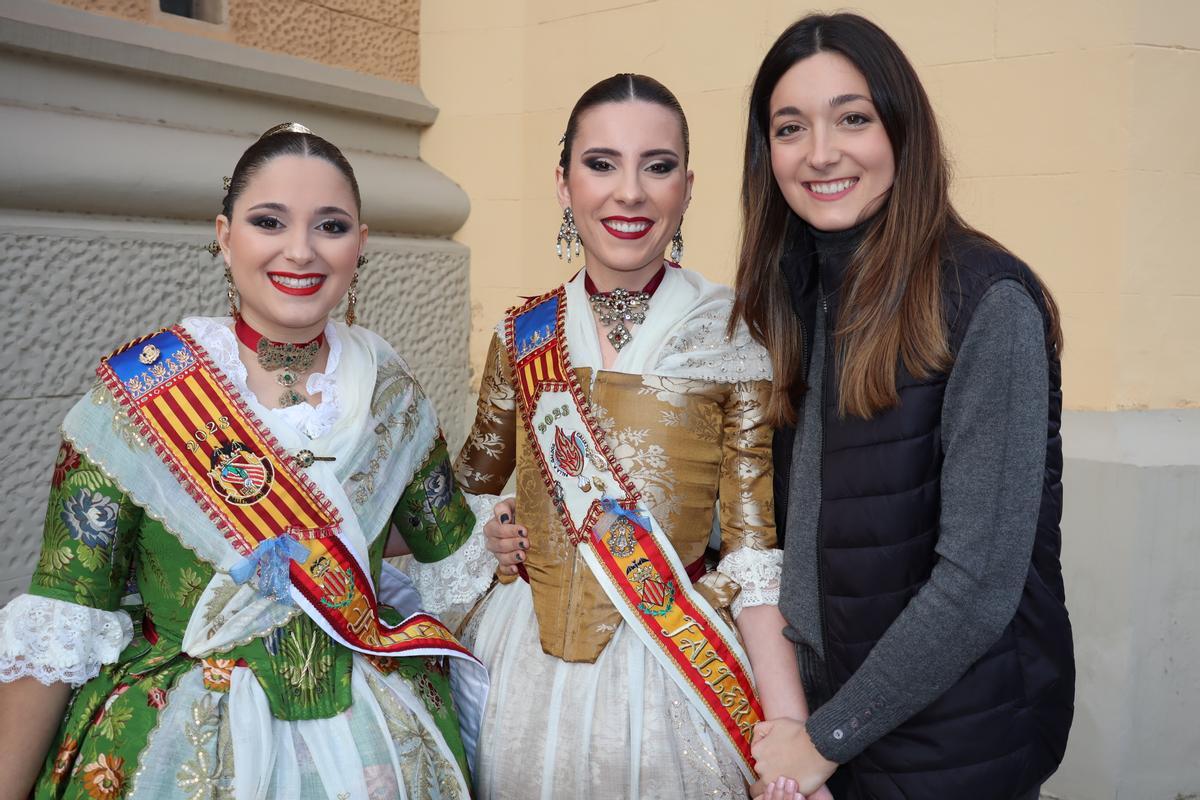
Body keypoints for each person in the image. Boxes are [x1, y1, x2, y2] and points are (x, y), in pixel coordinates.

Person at [0, 123, 486, 800]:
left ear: (361, 246)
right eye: (269, 221)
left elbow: (447, 554)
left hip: (375, 743)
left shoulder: (391, 394)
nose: (301, 250)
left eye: (331, 226)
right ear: (225, 235)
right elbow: (64, 616)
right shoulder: (142, 396)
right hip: (188, 749)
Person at [414, 74, 823, 800]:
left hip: (670, 675)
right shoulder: (524, 335)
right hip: (523, 669)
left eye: (656, 166)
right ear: (564, 184)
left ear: (688, 187)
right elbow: (464, 497)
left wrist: (788, 728)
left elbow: (757, 551)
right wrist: (496, 528)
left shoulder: (735, 337)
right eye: (601, 163)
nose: (628, 192)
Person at [732, 14, 1075, 800]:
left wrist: (824, 739)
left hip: (951, 749)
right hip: (827, 736)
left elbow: (979, 585)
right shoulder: (791, 296)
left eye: (853, 118)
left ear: (902, 130)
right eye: (791, 127)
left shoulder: (987, 301)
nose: (821, 152)